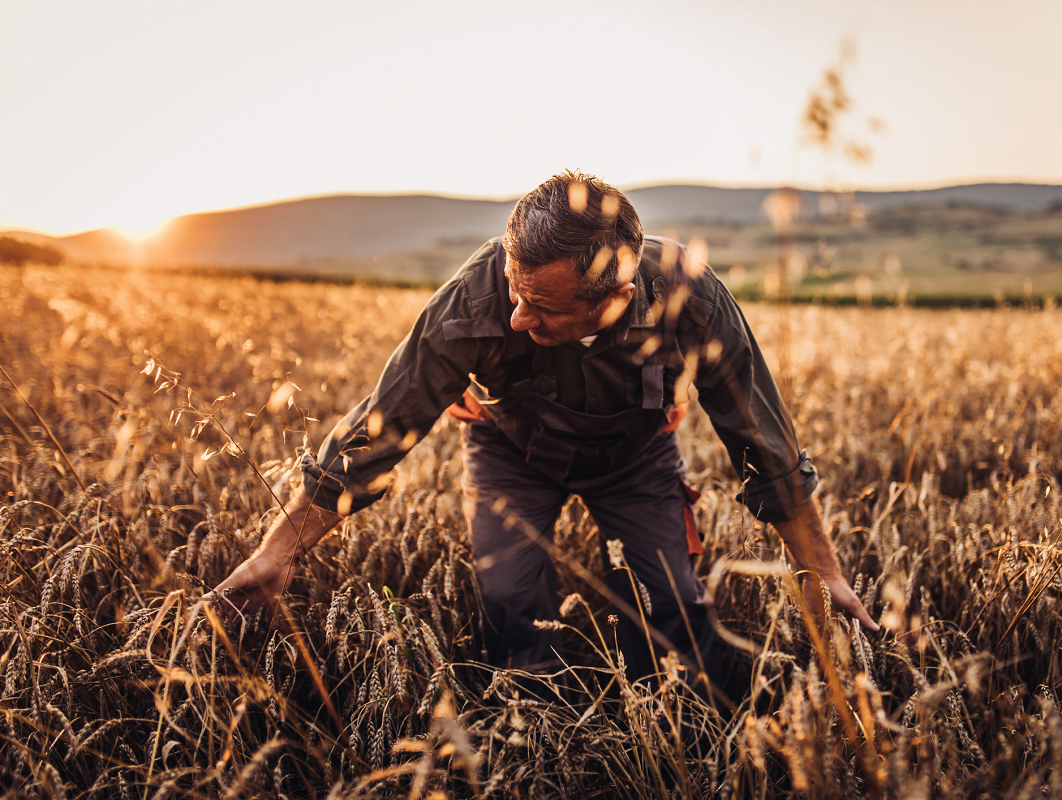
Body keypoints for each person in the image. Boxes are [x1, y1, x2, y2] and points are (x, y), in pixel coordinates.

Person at [204, 171, 878, 694]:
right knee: (511, 602)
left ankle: (672, 728)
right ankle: (534, 733)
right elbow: (378, 428)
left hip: (635, 461)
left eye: (543, 306)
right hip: (511, 456)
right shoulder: (474, 298)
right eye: (513, 288)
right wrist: (278, 550)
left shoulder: (690, 299)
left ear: (613, 298)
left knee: (668, 608)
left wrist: (824, 572)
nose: (518, 316)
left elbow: (765, 444)